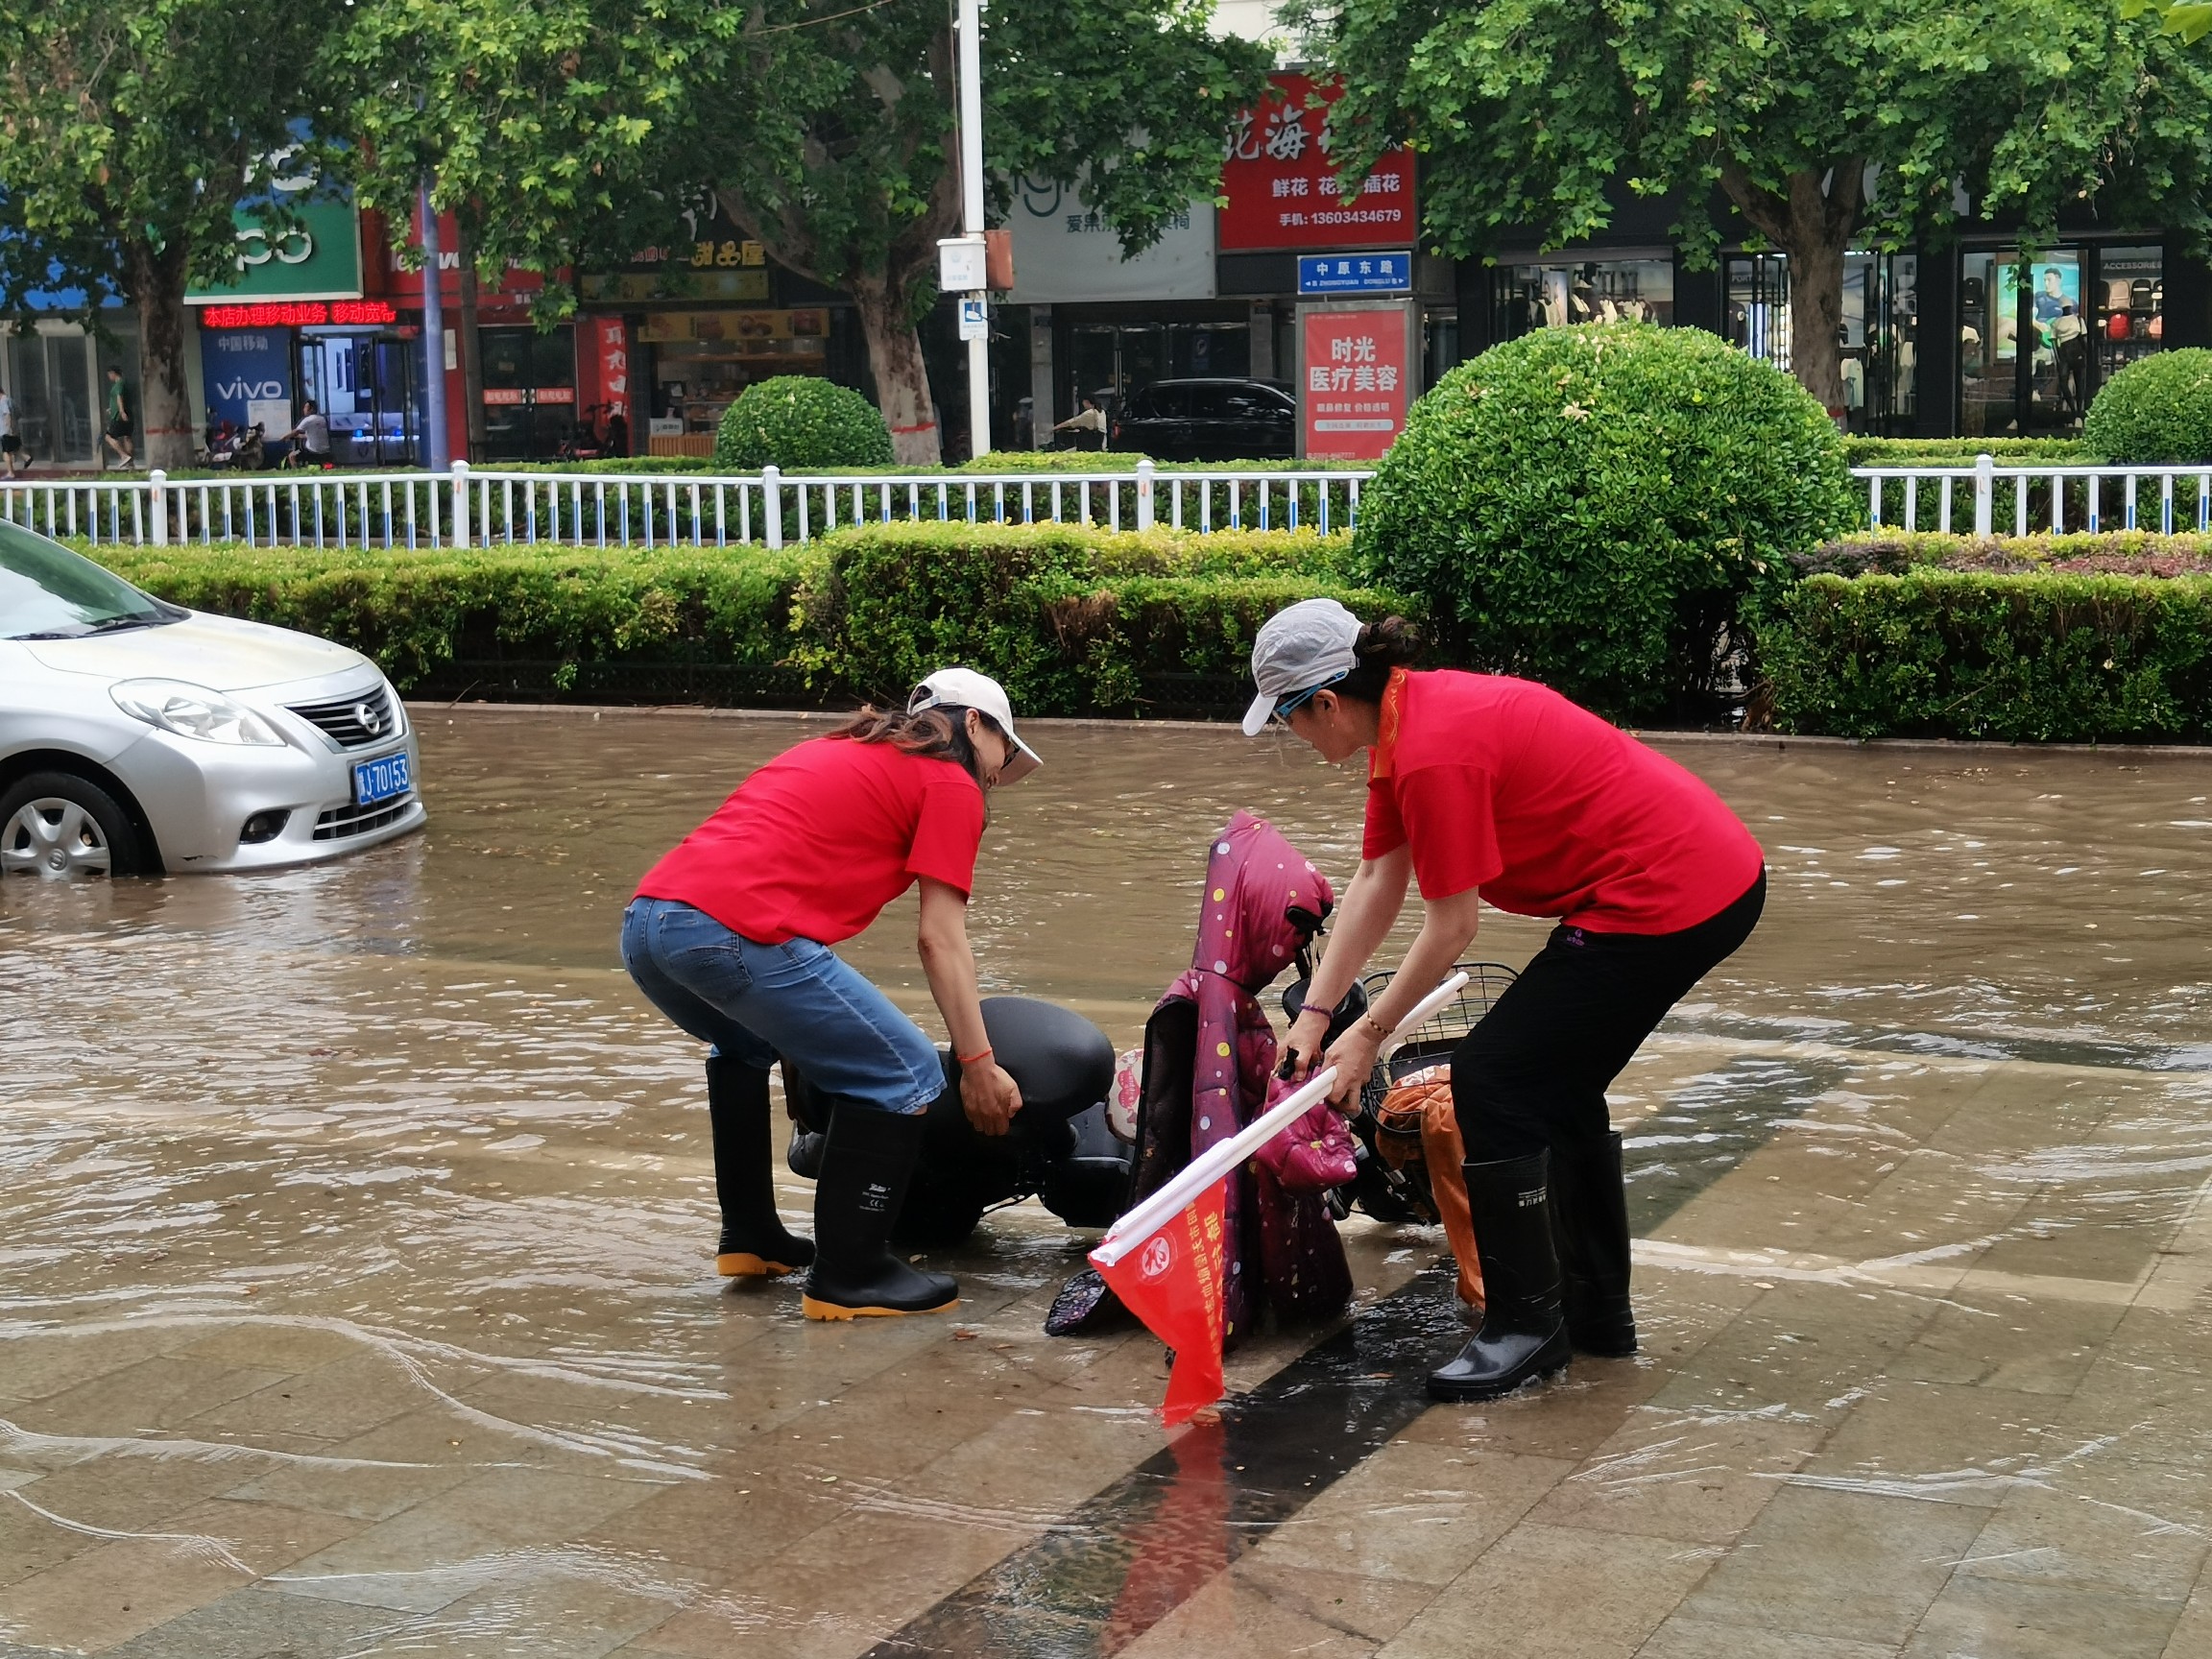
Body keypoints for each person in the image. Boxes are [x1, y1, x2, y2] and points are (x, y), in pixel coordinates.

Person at [1249, 599, 1766, 1402]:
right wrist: (1318, 1019)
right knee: (1550, 1087)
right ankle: (1595, 1318)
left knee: (1495, 1080)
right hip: (1679, 883)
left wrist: (1371, 1035)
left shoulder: (1429, 753)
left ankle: (1527, 1327)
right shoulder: (1403, 724)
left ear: (1322, 702)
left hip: (1670, 895)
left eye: (1287, 720)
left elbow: (1452, 925)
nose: (1295, 739)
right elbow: (1379, 878)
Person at [622, 668, 1043, 1320]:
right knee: (904, 1069)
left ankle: (750, 1236)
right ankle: (850, 1272)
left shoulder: (843, 749)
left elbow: (777, 864)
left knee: (742, 1045)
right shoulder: (949, 782)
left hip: (650, 927)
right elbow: (940, 938)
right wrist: (977, 1064)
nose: (996, 774)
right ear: (974, 724)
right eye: (1003, 753)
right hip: (729, 933)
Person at [280, 400, 334, 469]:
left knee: (292, 456)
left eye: (306, 407)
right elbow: (313, 435)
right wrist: (299, 436)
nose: (304, 409)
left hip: (312, 451)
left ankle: (297, 473)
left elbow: (296, 432)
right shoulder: (322, 419)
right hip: (325, 450)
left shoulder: (308, 420)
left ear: (311, 409)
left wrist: (284, 438)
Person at [101, 368, 134, 469]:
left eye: (109, 375)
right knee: (127, 436)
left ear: (113, 373)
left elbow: (119, 397)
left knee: (108, 437)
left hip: (118, 416)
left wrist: (121, 411)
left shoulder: (118, 384)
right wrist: (112, 407)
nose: (109, 377)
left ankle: (123, 456)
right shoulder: (125, 384)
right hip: (127, 414)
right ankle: (130, 463)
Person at [0, 386, 22, 478]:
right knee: (11, 451)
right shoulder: (10, 400)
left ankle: (10, 473)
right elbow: (19, 413)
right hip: (11, 429)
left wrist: (7, 427)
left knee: (6, 452)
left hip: (5, 431)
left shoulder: (3, 401)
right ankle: (11, 471)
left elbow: (7, 414)